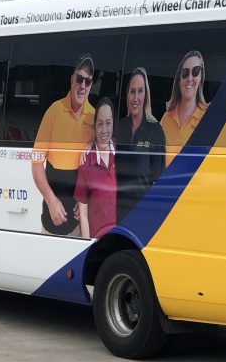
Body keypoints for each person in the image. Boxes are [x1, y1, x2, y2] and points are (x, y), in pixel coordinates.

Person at [31, 54, 96, 236]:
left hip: (79, 222)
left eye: (88, 81)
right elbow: (36, 163)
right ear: (72, 79)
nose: (83, 86)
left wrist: (86, 198)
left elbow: (100, 167)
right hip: (51, 218)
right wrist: (51, 200)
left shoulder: (95, 117)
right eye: (80, 79)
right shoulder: (54, 111)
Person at [113, 67, 166, 221]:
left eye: (140, 91)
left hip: (143, 213)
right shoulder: (119, 127)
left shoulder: (156, 130)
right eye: (132, 91)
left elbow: (158, 179)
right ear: (127, 95)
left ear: (146, 95)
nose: (136, 97)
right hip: (117, 211)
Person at [74, 97, 117, 240]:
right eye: (100, 124)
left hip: (122, 239)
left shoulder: (122, 153)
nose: (104, 130)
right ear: (94, 126)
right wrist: (87, 247)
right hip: (98, 242)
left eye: (108, 123)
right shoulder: (86, 160)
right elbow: (83, 214)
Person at [161, 50, 208, 164]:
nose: (189, 78)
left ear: (201, 78)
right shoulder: (166, 117)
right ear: (179, 80)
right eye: (185, 72)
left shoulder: (207, 117)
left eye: (195, 71)